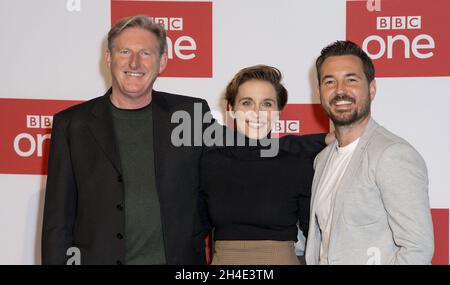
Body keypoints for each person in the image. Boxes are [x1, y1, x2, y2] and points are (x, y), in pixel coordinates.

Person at [41, 15, 212, 265]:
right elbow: (58, 222)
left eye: (146, 53)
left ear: (162, 61)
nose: (135, 62)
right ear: (109, 59)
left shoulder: (191, 115)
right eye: (125, 51)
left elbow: (223, 186)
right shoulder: (71, 124)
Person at [305, 40, 434, 265]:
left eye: (351, 80)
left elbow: (417, 250)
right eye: (329, 82)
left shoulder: (392, 155)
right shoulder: (322, 159)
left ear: (371, 89)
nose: (340, 90)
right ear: (320, 92)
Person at [200, 65, 329, 265]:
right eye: (247, 103)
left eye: (267, 104)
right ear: (231, 109)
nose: (257, 112)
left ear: (278, 112)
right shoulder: (209, 163)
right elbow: (191, 230)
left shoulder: (297, 164)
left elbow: (316, 238)